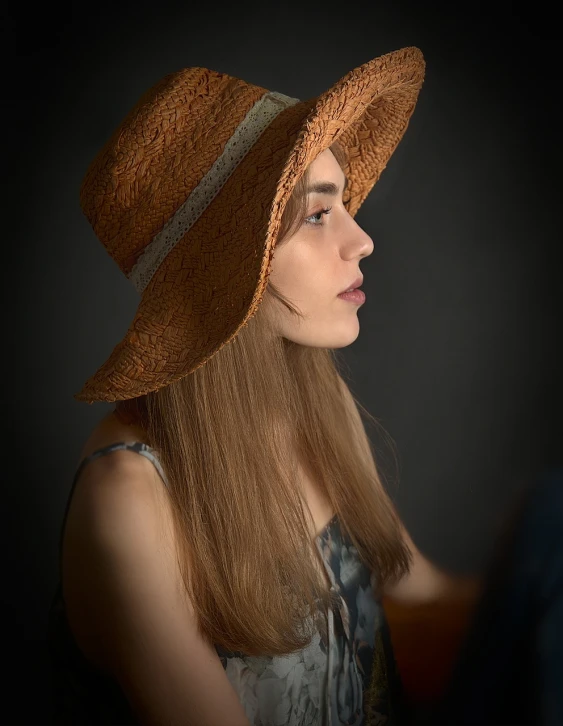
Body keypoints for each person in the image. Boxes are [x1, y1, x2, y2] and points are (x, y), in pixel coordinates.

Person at [47, 47, 486, 726]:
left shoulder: (317, 404)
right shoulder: (130, 501)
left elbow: (419, 599)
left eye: (341, 204)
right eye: (316, 215)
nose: (361, 239)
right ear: (229, 273)